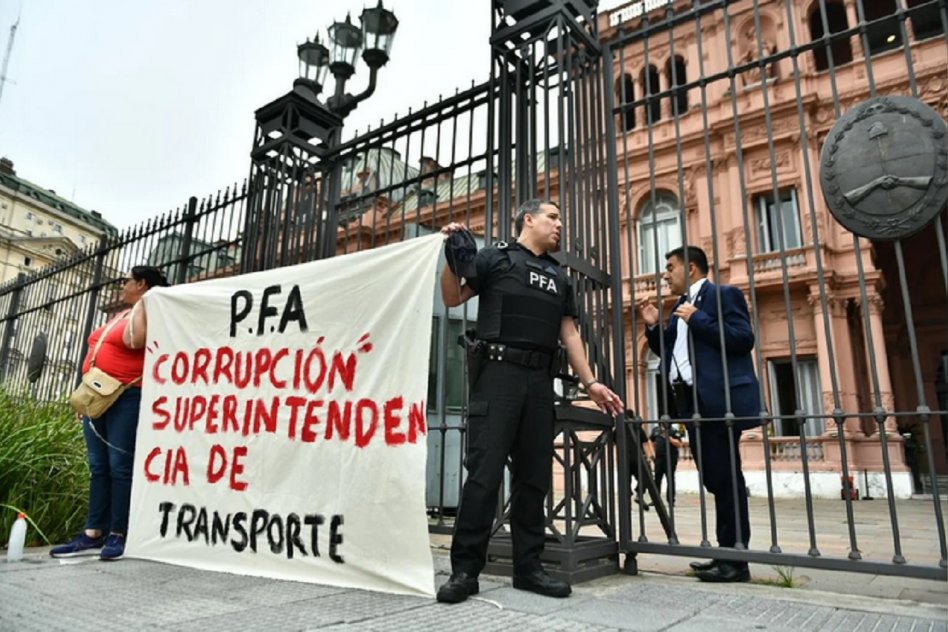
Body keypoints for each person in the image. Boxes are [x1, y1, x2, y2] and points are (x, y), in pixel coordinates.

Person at [437, 199, 624, 604]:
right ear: (528, 220)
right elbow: (453, 298)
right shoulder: (495, 258)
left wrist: (591, 383)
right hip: (497, 377)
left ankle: (530, 569)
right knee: (484, 476)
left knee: (534, 477)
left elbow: (569, 333)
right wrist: (451, 257)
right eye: (553, 217)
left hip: (540, 382)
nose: (559, 225)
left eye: (560, 219)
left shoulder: (559, 276)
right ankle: (465, 571)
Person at [638, 246, 761, 583]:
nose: (665, 274)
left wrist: (699, 318)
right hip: (691, 403)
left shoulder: (723, 295)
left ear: (690, 268)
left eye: (670, 267)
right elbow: (671, 354)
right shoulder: (678, 307)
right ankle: (725, 553)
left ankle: (736, 560)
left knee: (726, 478)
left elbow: (743, 338)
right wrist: (653, 329)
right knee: (715, 478)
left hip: (719, 402)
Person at [50, 266, 170, 561]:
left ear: (141, 285)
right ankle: (93, 532)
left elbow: (134, 341)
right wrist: (86, 399)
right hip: (96, 396)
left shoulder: (149, 310)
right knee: (98, 467)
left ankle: (119, 533)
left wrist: (146, 300)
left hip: (127, 395)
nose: (122, 285)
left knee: (119, 465)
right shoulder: (119, 315)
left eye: (127, 281)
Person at [650, 422, 684, 506]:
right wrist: (652, 452)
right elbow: (650, 441)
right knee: (657, 479)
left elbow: (679, 444)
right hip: (658, 458)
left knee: (670, 479)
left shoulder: (674, 431)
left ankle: (671, 500)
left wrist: (669, 439)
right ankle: (656, 500)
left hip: (670, 458)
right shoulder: (656, 430)